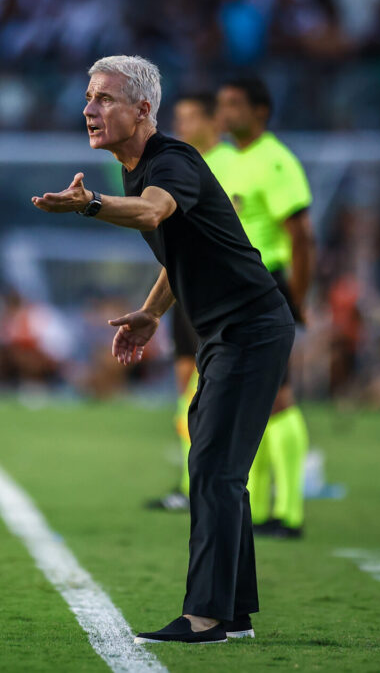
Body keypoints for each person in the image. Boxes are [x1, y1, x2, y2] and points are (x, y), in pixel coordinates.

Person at [32, 55, 294, 645]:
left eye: (104, 99)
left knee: (215, 468)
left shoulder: (170, 162)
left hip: (251, 328)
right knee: (214, 465)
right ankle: (234, 611)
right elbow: (183, 252)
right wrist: (152, 313)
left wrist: (90, 205)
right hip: (226, 332)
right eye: (89, 97)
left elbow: (153, 213)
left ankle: (206, 617)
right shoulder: (139, 167)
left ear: (143, 108)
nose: (89, 109)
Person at [216, 76, 315, 538]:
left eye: (235, 103)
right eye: (222, 104)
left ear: (261, 111)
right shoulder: (219, 160)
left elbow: (301, 237)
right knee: (241, 398)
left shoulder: (276, 161)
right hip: (224, 290)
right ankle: (251, 511)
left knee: (277, 397)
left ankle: (289, 513)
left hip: (265, 283)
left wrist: (298, 297)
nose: (226, 112)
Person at [147, 92, 239, 512]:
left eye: (191, 118)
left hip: (217, 290)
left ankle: (216, 484)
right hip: (183, 286)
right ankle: (189, 486)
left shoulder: (229, 164)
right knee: (186, 385)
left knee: (210, 392)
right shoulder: (179, 162)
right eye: (179, 118)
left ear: (214, 121)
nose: (182, 126)